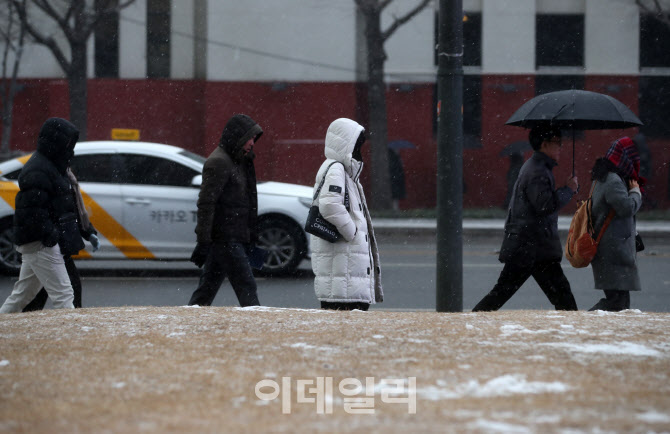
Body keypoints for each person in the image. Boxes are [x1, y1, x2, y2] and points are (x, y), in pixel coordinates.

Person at [472, 125, 579, 312]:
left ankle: (473, 320)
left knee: (501, 293)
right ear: (544, 144)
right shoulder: (538, 171)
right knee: (563, 298)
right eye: (557, 143)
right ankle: (472, 322)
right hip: (533, 247)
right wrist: (568, 190)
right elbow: (544, 205)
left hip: (530, 246)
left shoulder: (536, 167)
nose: (561, 147)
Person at [0, 118, 81, 313]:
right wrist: (51, 235)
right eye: (68, 143)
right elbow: (33, 211)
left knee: (22, 296)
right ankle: (73, 338)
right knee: (64, 294)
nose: (70, 148)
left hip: (36, 241)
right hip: (41, 242)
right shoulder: (40, 168)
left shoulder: (48, 165)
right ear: (57, 143)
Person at [188, 114, 263, 307]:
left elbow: (247, 200)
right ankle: (258, 327)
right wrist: (203, 240)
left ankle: (189, 320)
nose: (252, 143)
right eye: (249, 138)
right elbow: (206, 204)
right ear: (238, 137)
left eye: (254, 138)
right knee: (247, 285)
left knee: (206, 289)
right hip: (226, 237)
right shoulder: (219, 162)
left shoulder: (239, 160)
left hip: (231, 236)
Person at [311, 118, 383, 311]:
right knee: (348, 315)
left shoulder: (342, 170)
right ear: (348, 144)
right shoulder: (336, 168)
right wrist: (352, 232)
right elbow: (329, 205)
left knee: (344, 317)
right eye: (358, 143)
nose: (361, 148)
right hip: (344, 264)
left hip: (345, 266)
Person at [22, 167, 100, 312]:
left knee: (27, 294)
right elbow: (52, 210)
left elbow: (72, 209)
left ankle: (16, 319)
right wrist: (51, 235)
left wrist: (88, 231)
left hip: (54, 241)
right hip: (49, 243)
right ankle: (73, 323)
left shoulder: (64, 172)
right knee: (68, 289)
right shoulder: (50, 172)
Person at [588, 137, 643, 312]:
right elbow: (626, 208)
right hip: (613, 251)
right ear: (625, 159)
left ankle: (612, 334)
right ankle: (587, 321)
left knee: (620, 303)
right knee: (617, 302)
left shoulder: (603, 177)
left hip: (610, 249)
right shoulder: (612, 181)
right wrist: (636, 193)